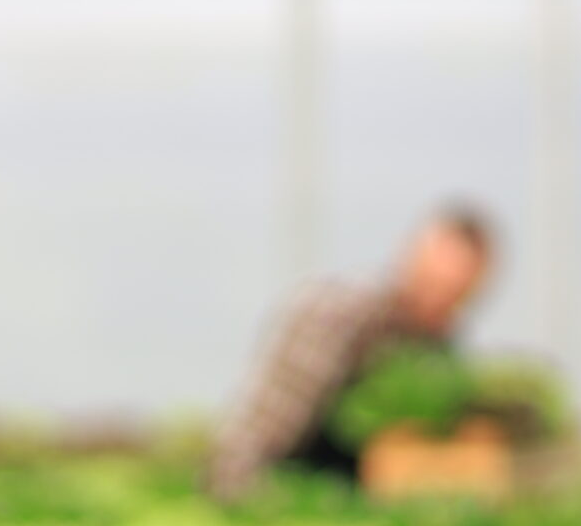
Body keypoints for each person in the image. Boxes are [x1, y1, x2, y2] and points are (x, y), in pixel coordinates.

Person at [206, 208, 494, 501]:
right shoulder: (338, 316)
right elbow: (268, 421)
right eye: (436, 286)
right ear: (410, 262)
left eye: (457, 296)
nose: (443, 306)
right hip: (290, 487)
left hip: (350, 497)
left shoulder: (433, 349)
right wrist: (239, 486)